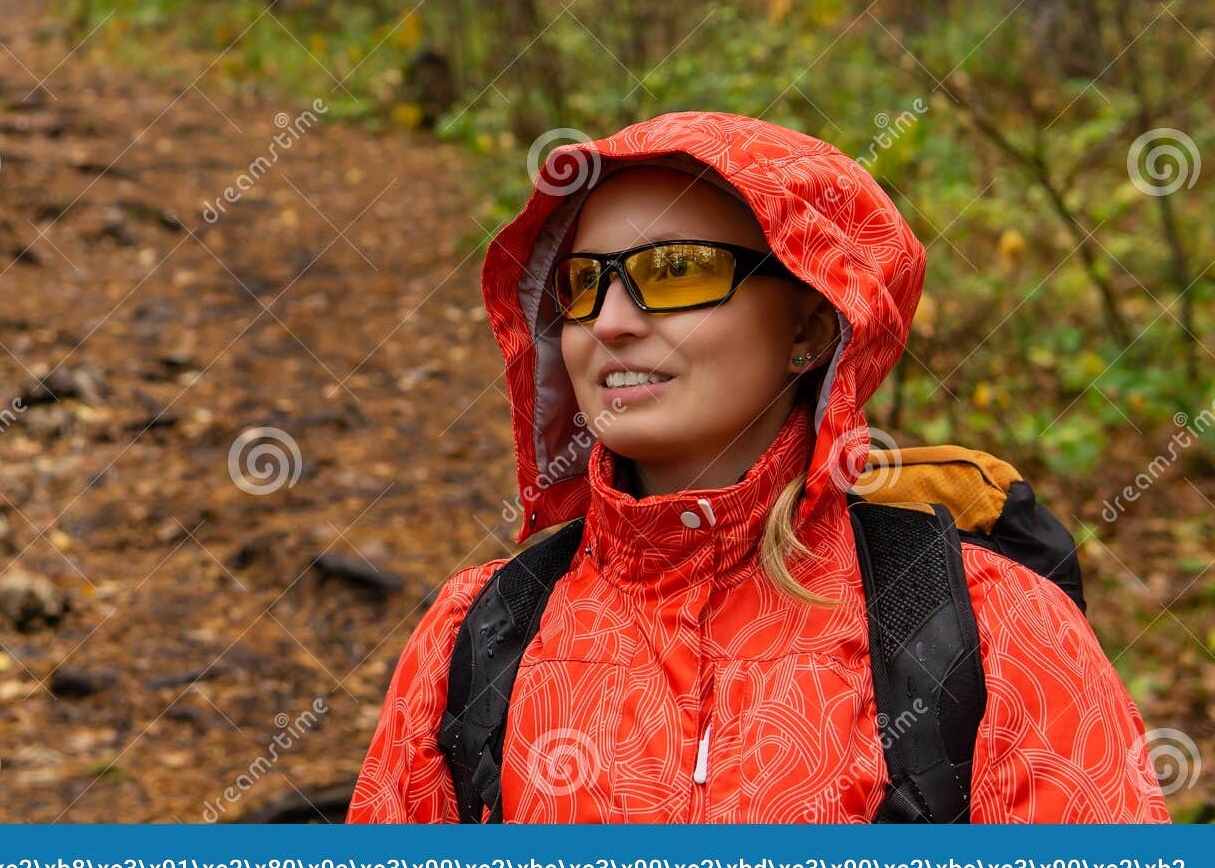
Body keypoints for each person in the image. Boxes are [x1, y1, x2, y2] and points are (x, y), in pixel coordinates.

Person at [346, 111, 1169, 823]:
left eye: (676, 271)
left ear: (810, 325)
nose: (613, 321)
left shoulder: (992, 631)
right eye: (584, 283)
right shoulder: (481, 633)